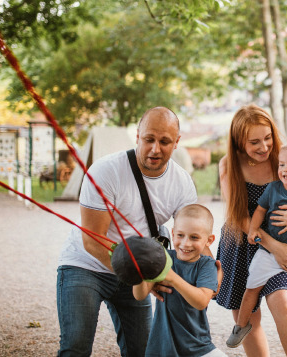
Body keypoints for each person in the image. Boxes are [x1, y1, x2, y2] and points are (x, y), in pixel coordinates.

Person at [56, 107, 198, 356]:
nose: (155, 149)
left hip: (136, 270)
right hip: (86, 265)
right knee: (76, 347)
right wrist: (145, 277)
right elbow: (92, 241)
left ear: (177, 143)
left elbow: (190, 239)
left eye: (164, 142)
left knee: (143, 351)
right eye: (149, 139)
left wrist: (204, 273)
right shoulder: (105, 170)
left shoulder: (182, 182)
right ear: (137, 136)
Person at [215, 104, 287, 357]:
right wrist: (273, 246)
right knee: (249, 322)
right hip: (242, 245)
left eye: (268, 138)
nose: (264, 147)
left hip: (284, 246)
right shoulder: (229, 165)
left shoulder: (286, 160)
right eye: (254, 141)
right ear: (238, 142)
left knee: (286, 304)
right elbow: (239, 216)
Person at [133, 204, 226, 357]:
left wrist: (172, 278)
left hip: (198, 348)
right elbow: (139, 295)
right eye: (180, 235)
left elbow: (202, 300)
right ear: (173, 234)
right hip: (161, 349)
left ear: (209, 240)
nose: (185, 243)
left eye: (194, 237)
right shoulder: (162, 258)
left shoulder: (206, 265)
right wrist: (140, 271)